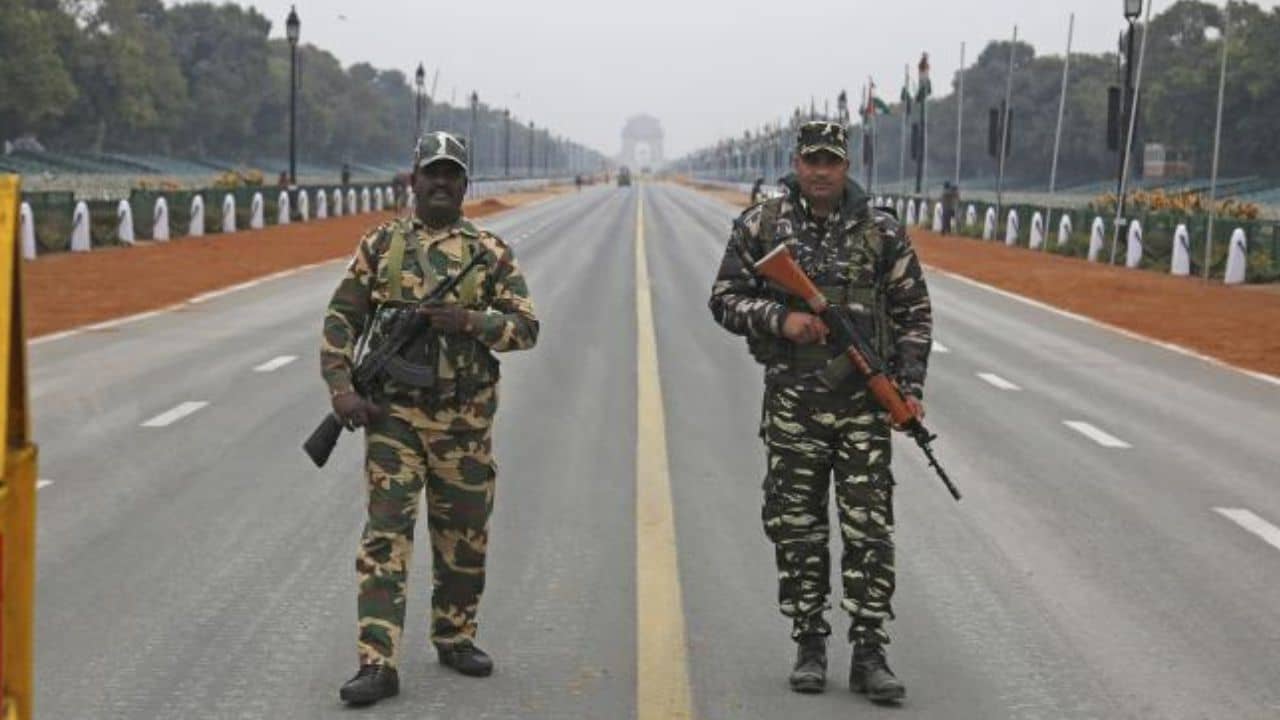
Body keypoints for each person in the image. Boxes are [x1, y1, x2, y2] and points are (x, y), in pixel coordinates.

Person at [708, 120, 932, 704]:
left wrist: (907, 386)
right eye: (813, 160)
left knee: (868, 530)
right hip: (794, 404)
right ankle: (809, 643)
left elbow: (913, 314)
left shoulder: (882, 231)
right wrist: (780, 319)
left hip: (863, 409)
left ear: (847, 165)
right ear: (797, 163)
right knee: (797, 527)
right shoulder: (762, 225)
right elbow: (724, 299)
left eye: (832, 161)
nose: (822, 171)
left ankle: (869, 652)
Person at [321, 131, 539, 706]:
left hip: (464, 425)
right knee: (385, 536)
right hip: (393, 419)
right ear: (413, 179)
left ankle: (455, 636)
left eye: (452, 174)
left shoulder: (488, 252)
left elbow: (525, 328)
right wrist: (341, 389)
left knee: (463, 537)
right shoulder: (381, 246)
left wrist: (469, 321)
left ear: (465, 184)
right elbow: (342, 319)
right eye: (431, 173)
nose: (441, 182)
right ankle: (376, 661)